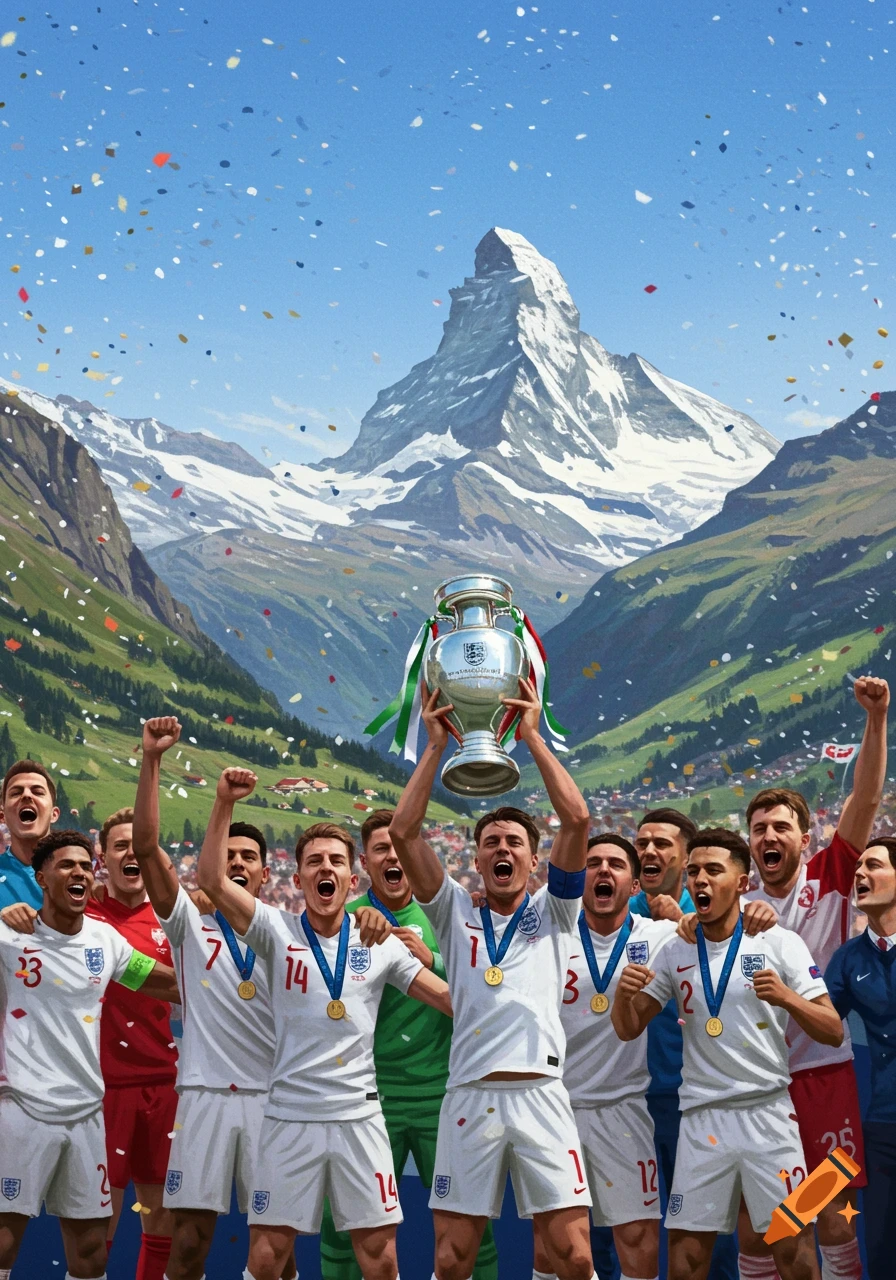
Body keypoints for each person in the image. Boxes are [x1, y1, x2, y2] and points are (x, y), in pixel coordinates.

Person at [197, 766, 452, 1280]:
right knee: (267, 1260)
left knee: (380, 1261)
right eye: (314, 862)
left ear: (352, 880)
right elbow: (210, 881)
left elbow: (450, 1000)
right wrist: (224, 802)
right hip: (290, 1116)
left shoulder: (378, 941)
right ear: (298, 879)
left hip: (360, 1118)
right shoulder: (273, 929)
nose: (325, 869)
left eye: (336, 861)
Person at [389, 678, 596, 1280]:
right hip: (470, 1098)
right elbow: (404, 834)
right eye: (490, 844)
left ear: (534, 860)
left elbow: (578, 819)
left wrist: (529, 735)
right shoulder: (454, 912)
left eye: (513, 843)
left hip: (541, 1095)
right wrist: (433, 748)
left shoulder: (555, 909)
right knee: (453, 1259)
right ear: (476, 860)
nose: (501, 850)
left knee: (574, 1257)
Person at [611, 828, 843, 1280]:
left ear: (741, 883)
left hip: (770, 1116)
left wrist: (788, 999)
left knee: (794, 1251)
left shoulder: (779, 942)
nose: (700, 880)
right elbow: (628, 1028)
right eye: (694, 871)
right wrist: (622, 996)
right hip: (701, 1122)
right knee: (687, 1258)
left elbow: (833, 1030)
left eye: (713, 871)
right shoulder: (674, 948)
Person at [131, 716, 300, 1280]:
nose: (236, 863)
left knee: (276, 1252)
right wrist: (152, 760)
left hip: (274, 1101)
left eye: (249, 856)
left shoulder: (288, 930)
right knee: (188, 1246)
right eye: (228, 853)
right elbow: (146, 845)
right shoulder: (185, 921)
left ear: (264, 870)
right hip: (202, 1097)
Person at [737, 674, 889, 1280]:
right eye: (760, 829)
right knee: (765, 1225)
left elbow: (867, 800)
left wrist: (875, 721)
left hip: (825, 1077)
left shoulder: (830, 873)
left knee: (832, 1216)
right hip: (758, 1085)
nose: (769, 836)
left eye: (781, 828)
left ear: (806, 837)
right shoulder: (735, 901)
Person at [320, 808, 499, 1280]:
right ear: (365, 861)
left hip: (442, 1095)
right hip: (370, 1100)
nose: (393, 856)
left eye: (401, 848)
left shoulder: (450, 913)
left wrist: (434, 959)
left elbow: (485, 989)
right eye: (382, 849)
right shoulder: (344, 918)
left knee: (469, 1228)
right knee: (345, 1226)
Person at [0, 829, 179, 1280]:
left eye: (84, 865)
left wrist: (233, 984)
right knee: (3, 1242)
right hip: (22, 1109)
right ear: (41, 877)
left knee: (91, 1253)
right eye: (66, 865)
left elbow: (165, 982)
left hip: (86, 1114)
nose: (79, 872)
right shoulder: (8, 935)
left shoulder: (106, 941)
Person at [532, 832, 677, 1280]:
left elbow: (715, 930)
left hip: (625, 1108)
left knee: (638, 1242)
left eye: (616, 864)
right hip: (555, 1109)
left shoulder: (663, 937)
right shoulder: (547, 933)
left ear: (635, 886)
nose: (603, 871)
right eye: (593, 863)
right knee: (550, 1248)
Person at [632, 810, 740, 1280]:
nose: (649, 851)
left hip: (688, 1098)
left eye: (662, 843)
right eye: (642, 843)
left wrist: (685, 921)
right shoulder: (612, 910)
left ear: (688, 858)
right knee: (621, 1227)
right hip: (622, 1098)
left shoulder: (712, 924)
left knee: (705, 1232)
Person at [87, 806, 179, 1280]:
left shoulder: (175, 918)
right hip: (101, 1089)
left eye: (138, 845)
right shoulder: (80, 913)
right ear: (102, 858)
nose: (131, 852)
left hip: (163, 1084)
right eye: (119, 845)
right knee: (99, 1221)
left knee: (161, 1216)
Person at [824, 838, 896, 1280]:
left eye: (873, 865)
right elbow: (818, 1023)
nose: (859, 875)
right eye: (857, 869)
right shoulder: (848, 959)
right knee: (884, 1250)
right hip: (883, 1122)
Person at [0, 759, 60, 911]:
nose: (26, 795)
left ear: (54, 814)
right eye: (16, 792)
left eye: (38, 792)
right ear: (3, 816)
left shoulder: (82, 878)